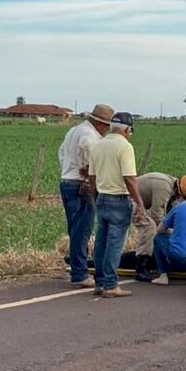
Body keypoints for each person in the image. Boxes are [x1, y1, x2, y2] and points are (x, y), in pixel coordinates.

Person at [88, 112, 146, 298]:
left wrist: (95, 195)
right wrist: (140, 203)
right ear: (127, 129)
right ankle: (111, 285)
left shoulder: (98, 145)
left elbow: (92, 176)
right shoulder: (125, 147)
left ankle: (99, 282)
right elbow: (129, 178)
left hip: (102, 197)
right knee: (114, 244)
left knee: (101, 242)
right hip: (119, 199)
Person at [58, 103, 114, 288]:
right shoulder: (89, 137)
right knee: (82, 230)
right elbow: (91, 165)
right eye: (107, 125)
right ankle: (80, 273)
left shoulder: (74, 131)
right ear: (100, 123)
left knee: (75, 228)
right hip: (81, 184)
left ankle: (78, 268)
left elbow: (61, 153)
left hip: (67, 180)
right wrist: (90, 175)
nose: (107, 129)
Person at [132, 172, 186, 281]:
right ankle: (142, 267)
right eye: (184, 198)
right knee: (150, 226)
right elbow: (157, 216)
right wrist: (174, 232)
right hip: (129, 200)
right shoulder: (165, 187)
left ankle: (151, 258)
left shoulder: (173, 188)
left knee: (156, 228)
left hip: (140, 202)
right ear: (179, 191)